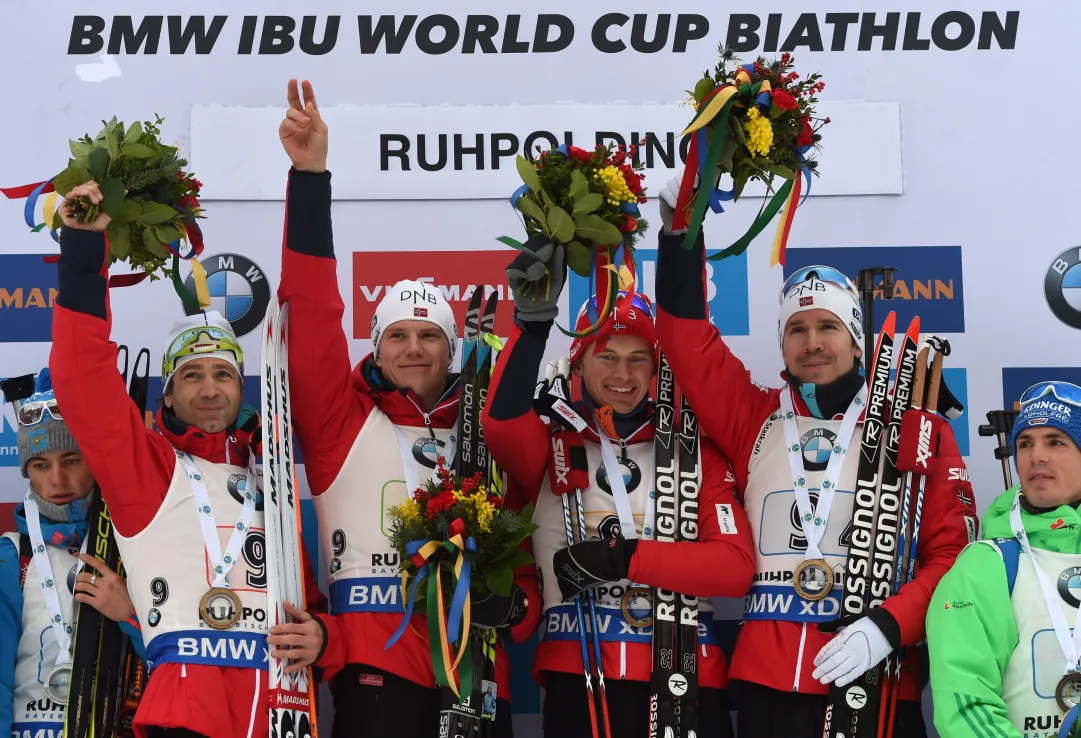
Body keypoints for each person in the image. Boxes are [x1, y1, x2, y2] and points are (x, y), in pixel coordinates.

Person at [652, 173, 978, 738]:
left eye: (828, 326)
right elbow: (687, 343)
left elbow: (953, 556)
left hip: (875, 675)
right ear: (781, 344)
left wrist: (887, 626)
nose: (812, 342)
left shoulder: (912, 426)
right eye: (796, 329)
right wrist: (682, 235)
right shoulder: (754, 416)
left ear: (856, 340)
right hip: (766, 682)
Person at [275, 78, 540, 737]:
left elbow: (524, 568)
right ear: (377, 346)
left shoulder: (488, 433)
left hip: (476, 677)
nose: (414, 348)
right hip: (375, 673)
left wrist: (515, 607)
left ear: (452, 350)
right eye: (398, 334)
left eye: (430, 336)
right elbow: (310, 313)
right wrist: (310, 180)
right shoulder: (341, 424)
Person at [49, 184, 333, 738]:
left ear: (241, 386)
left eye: (223, 373)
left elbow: (308, 606)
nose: (209, 389)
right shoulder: (149, 471)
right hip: (185, 713)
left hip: (279, 713)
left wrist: (322, 636)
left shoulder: (271, 481)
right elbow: (82, 379)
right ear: (169, 395)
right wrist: (83, 252)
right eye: (192, 375)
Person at [480, 232, 756, 738]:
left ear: (658, 369)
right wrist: (531, 328)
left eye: (638, 358)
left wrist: (626, 559)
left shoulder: (698, 451)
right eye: (606, 356)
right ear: (579, 364)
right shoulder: (550, 447)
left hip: (687, 682)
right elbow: (499, 423)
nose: (622, 373)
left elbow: (734, 568)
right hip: (577, 680)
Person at [928, 381, 1081, 737]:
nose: (1036, 456)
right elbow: (965, 707)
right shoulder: (986, 565)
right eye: (1025, 443)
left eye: (1055, 442)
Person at [0, 368, 144, 738]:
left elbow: (177, 669)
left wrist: (133, 616)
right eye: (41, 465)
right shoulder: (13, 556)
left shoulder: (135, 547)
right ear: (27, 470)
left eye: (72, 460)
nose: (58, 480)